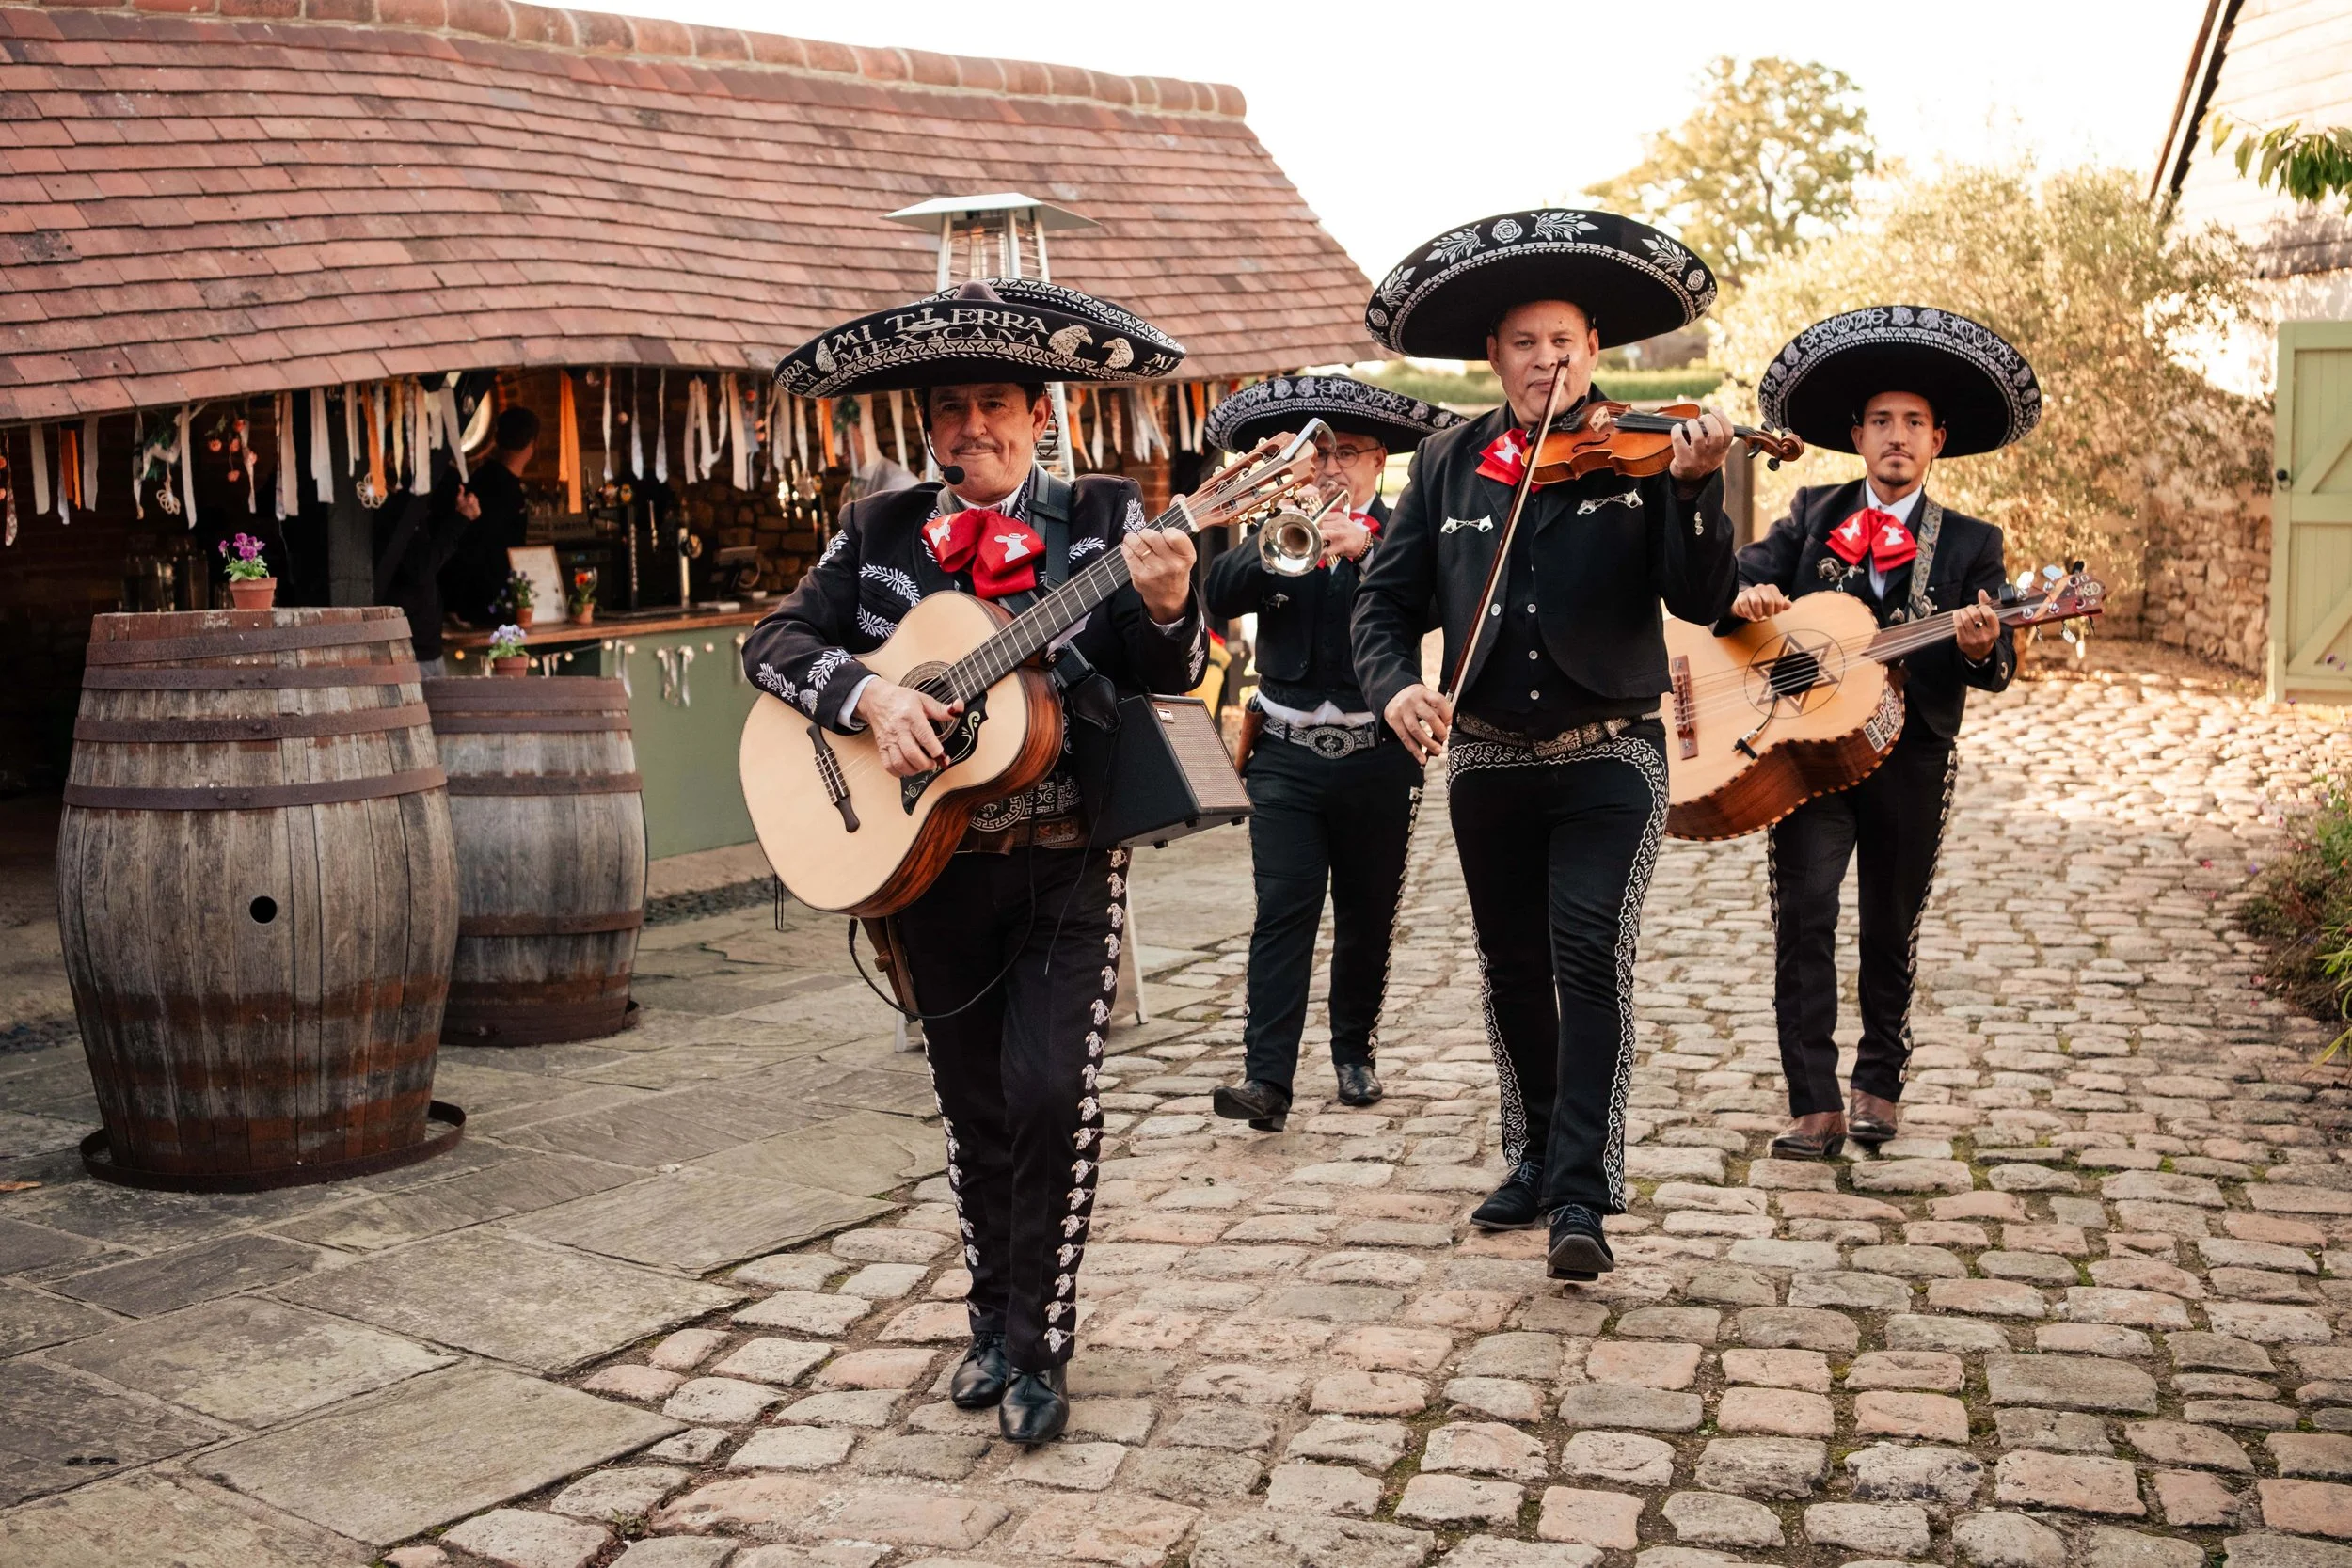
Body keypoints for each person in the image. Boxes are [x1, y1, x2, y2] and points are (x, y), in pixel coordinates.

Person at [742, 278, 1203, 1444]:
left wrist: (1165, 605)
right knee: (972, 1104)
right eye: (949, 408)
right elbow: (773, 642)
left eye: (993, 402)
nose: (969, 427)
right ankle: (991, 1324)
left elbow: (1161, 678)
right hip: (932, 866)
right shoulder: (880, 533)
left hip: (1062, 859)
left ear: (1040, 413)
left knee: (1051, 1094)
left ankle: (1043, 1342)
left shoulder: (1105, 516)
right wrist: (872, 690)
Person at [1352, 209, 1736, 1281]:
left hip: (1610, 749)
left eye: (1561, 339)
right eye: (1522, 342)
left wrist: (1697, 493)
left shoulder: (1649, 449)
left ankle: (1580, 1187)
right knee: (1511, 968)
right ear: (1494, 359)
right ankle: (1526, 1152)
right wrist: (1392, 690)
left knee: (1585, 952)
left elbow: (1698, 596)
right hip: (1484, 754)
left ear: (1590, 351)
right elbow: (1381, 609)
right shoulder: (1443, 464)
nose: (1543, 359)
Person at [1725, 306, 2038, 1159]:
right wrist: (1746, 600)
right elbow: (1729, 596)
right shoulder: (1807, 515)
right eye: (1881, 423)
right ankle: (1812, 1100)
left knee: (1888, 925)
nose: (1896, 438)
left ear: (1938, 440)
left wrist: (1979, 646)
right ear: (1857, 436)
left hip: (1913, 757)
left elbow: (1997, 662)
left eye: (1913, 424)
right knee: (1805, 917)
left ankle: (1878, 1085)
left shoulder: (1973, 543)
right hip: (1808, 756)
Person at [1200, 376, 1463, 1131]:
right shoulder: (1280, 521)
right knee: (1283, 910)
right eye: (1320, 453)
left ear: (1381, 462)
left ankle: (1354, 1051)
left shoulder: (1403, 535)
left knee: (1367, 910)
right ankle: (1267, 1079)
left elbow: (1451, 597)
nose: (1333, 467)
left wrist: (1371, 547)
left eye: (1349, 452)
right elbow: (1216, 592)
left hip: (1378, 749)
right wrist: (1273, 542)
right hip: (1282, 749)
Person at [372, 453, 479, 676]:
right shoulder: (396, 508)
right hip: (409, 647)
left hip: (420, 643)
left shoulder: (410, 506)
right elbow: (420, 568)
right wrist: (461, 520)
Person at [442, 405, 537, 625]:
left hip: (485, 601)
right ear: (532, 444)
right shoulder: (498, 487)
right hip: (485, 606)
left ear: (496, 438)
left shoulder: (482, 479)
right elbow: (472, 548)